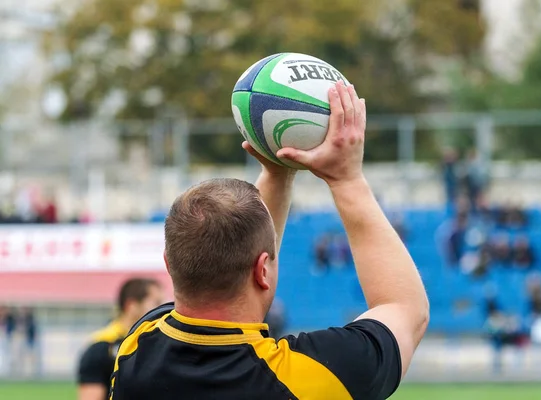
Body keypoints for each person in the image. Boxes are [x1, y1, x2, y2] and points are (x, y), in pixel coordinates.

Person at [110, 82, 429, 400]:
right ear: (262, 270)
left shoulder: (136, 346)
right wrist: (346, 179)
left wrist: (278, 173)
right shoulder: (308, 375)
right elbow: (405, 309)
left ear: (169, 263)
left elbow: (244, 244)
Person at [78, 278, 163, 400]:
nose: (165, 309)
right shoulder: (101, 346)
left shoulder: (158, 341)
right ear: (132, 305)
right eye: (157, 303)